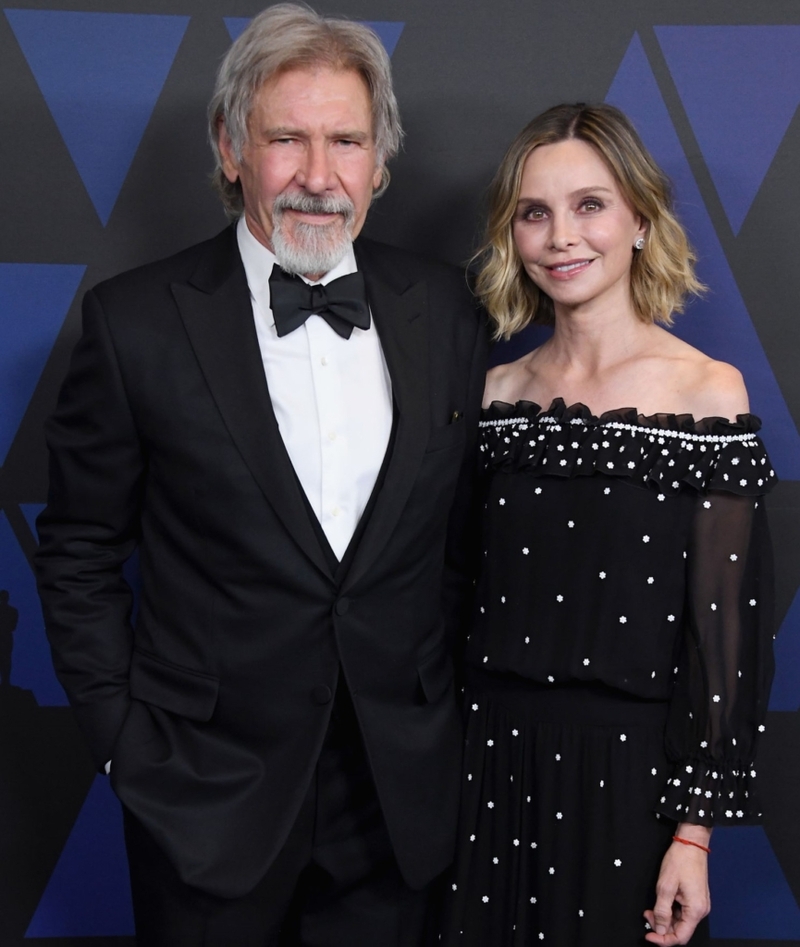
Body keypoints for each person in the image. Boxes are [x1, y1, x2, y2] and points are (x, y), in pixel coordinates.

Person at [34, 5, 486, 945]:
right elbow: (78, 549)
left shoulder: (447, 311)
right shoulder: (136, 324)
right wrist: (125, 748)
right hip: (204, 798)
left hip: (397, 805)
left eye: (346, 141)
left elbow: (459, 543)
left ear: (379, 161)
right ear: (231, 145)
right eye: (286, 138)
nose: (319, 177)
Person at [443, 103, 775, 946]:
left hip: (632, 780)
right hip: (486, 766)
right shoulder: (496, 393)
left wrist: (692, 835)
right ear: (511, 234)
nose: (562, 236)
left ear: (639, 218)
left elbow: (724, 644)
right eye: (534, 212)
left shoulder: (708, 392)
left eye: (589, 204)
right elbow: (453, 596)